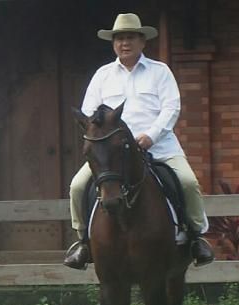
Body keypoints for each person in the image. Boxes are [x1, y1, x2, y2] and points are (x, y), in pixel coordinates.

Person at [63, 13, 215, 270]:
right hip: (112, 154)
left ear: (142, 41)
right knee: (77, 186)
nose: (125, 43)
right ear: (113, 43)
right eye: (120, 38)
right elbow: (91, 114)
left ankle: (196, 237)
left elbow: (171, 108)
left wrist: (151, 135)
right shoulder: (102, 76)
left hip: (159, 147)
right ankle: (83, 242)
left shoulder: (160, 72)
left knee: (188, 183)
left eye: (130, 37)